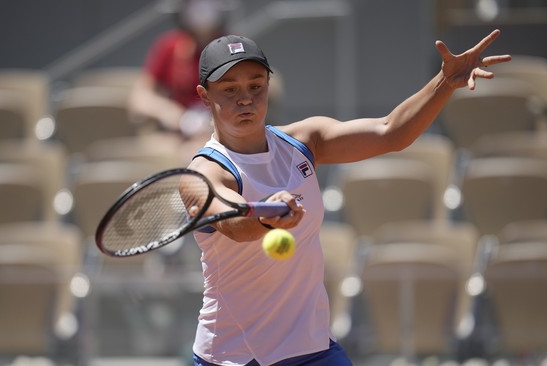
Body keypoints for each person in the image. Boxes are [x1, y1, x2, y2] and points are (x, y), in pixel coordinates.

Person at [186, 31, 511, 366]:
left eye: (256, 85)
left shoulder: (305, 140)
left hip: (312, 347)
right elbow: (235, 224)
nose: (246, 98)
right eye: (229, 89)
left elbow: (391, 131)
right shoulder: (203, 174)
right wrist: (267, 218)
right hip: (234, 357)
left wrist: (445, 81)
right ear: (204, 96)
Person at [128, 0, 227, 137]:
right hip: (178, 135)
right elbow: (140, 97)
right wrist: (175, 116)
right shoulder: (169, 46)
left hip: (223, 133)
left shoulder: (234, 46)